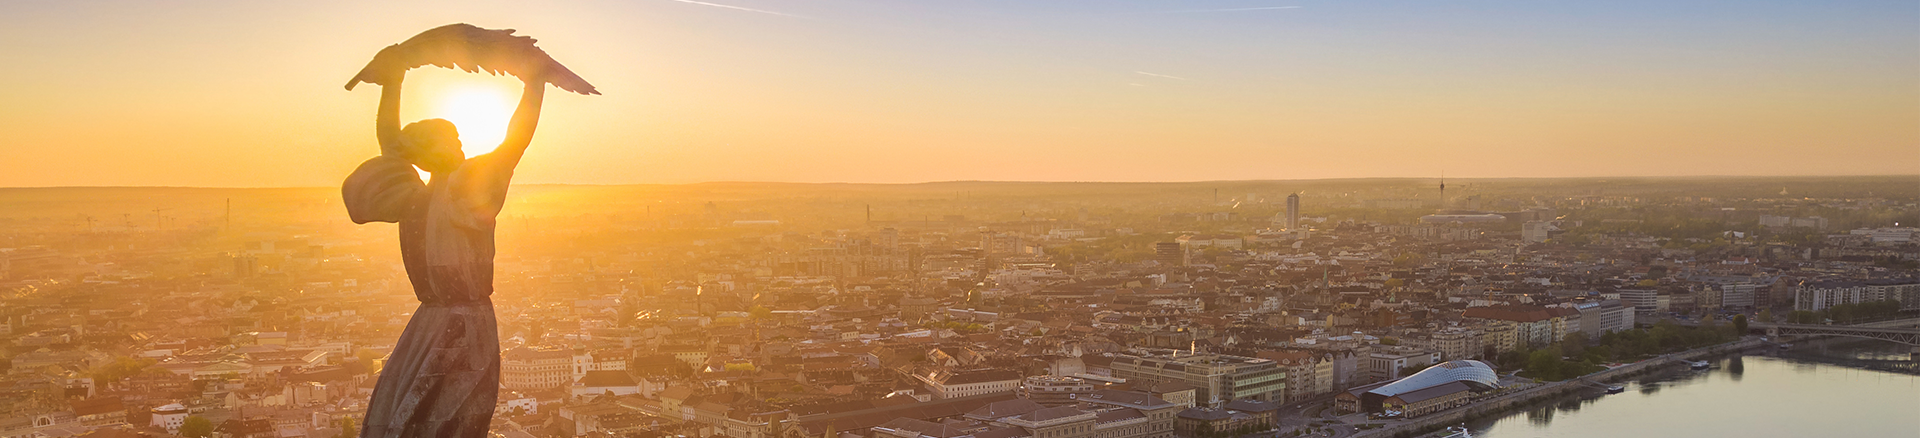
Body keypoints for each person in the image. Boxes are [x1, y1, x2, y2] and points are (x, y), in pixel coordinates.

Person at [341, 48, 545, 437]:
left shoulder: (457, 191)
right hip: (438, 322)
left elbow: (513, 144)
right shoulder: (424, 196)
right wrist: (392, 82)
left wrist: (534, 85)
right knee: (403, 421)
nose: (460, 146)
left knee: (436, 423)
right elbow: (392, 144)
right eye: (449, 140)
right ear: (427, 152)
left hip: (461, 322)